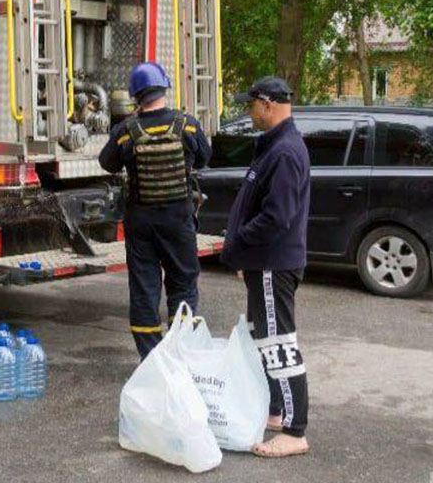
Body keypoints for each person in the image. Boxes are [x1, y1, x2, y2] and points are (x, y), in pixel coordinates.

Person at [221, 76, 311, 458]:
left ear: (267, 104)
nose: (249, 112)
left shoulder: (285, 152)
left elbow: (278, 217)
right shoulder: (273, 147)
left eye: (251, 105)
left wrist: (241, 242)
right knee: (265, 340)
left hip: (274, 263)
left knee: (279, 344)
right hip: (263, 262)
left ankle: (295, 430)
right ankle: (276, 411)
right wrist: (246, 257)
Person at [99, 61, 211, 359]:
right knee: (183, 283)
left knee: (144, 288)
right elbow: (204, 158)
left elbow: (106, 163)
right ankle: (181, 355)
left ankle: (152, 360)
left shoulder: (126, 132)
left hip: (141, 222)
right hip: (178, 220)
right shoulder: (187, 124)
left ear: (136, 95)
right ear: (164, 87)